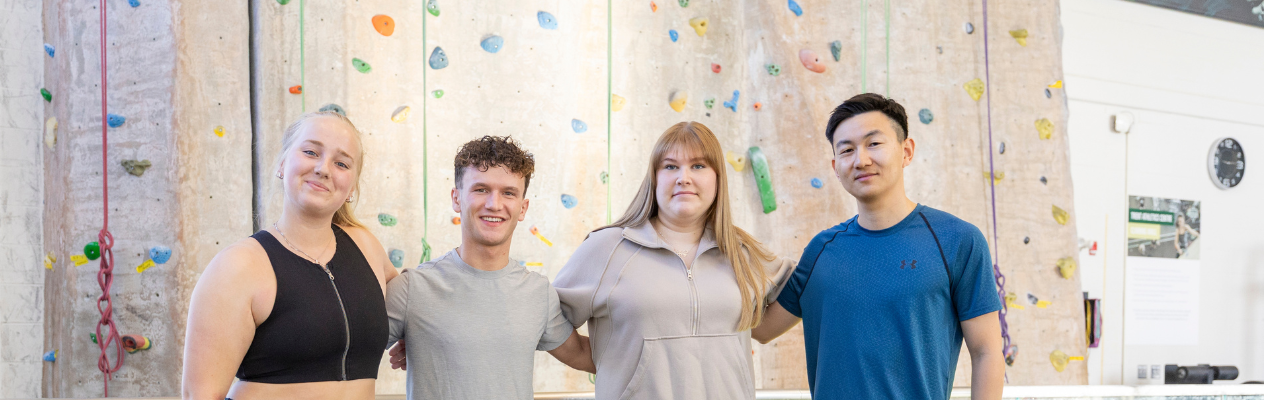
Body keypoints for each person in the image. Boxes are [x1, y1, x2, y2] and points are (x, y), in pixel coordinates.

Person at [751, 93, 1005, 400]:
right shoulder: (821, 251)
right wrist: (720, 246)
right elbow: (761, 329)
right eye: (847, 150)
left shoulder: (957, 240)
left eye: (873, 143)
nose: (861, 160)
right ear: (835, 167)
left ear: (906, 151)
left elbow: (986, 351)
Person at [553, 121, 796, 400]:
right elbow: (548, 319)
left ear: (717, 178)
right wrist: (603, 358)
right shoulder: (606, 248)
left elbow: (771, 322)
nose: (684, 178)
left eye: (698, 165)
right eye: (670, 166)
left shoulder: (742, 252)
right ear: (654, 179)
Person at [181, 111, 399, 400]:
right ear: (283, 164)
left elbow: (409, 304)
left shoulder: (366, 246)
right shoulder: (238, 266)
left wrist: (417, 337)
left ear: (352, 187)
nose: (323, 169)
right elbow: (200, 395)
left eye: (341, 163)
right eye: (311, 152)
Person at [383, 136, 594, 399]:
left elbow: (586, 356)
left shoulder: (539, 293)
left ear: (522, 208)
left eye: (508, 193)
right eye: (481, 189)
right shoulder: (412, 289)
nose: (494, 204)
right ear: (456, 198)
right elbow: (345, 352)